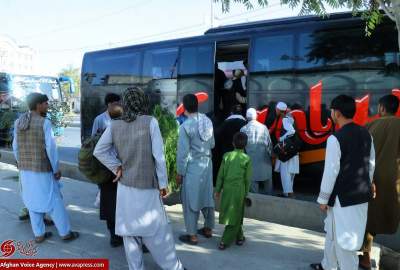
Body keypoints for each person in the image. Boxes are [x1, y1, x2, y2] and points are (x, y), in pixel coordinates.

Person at [94, 87, 184, 270]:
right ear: (143, 102)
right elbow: (159, 157)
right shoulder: (150, 122)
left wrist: (116, 166)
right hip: (148, 187)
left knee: (129, 234)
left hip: (125, 188)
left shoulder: (115, 125)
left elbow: (99, 151)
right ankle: (174, 267)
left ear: (125, 103)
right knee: (157, 232)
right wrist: (163, 184)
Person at [310, 95, 375, 270]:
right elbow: (370, 164)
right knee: (335, 234)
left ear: (337, 113)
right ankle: (328, 265)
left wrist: (323, 200)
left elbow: (330, 172)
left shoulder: (335, 139)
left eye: (332, 110)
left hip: (342, 198)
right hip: (361, 194)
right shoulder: (366, 134)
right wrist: (369, 184)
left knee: (344, 242)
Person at [12, 93, 79, 243]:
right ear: (38, 105)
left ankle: (39, 235)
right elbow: (51, 148)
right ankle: (65, 233)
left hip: (24, 170)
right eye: (45, 103)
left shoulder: (18, 122)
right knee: (54, 200)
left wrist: (20, 162)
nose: (47, 106)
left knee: (31, 200)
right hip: (42, 170)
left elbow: (15, 146)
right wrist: (56, 169)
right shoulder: (44, 123)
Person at [359, 94, 400, 270]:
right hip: (397, 180)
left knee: (369, 220)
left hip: (374, 179)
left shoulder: (370, 125)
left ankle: (365, 258)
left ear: (382, 108)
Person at [177, 94, 215, 245]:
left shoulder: (185, 126)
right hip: (207, 164)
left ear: (185, 107)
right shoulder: (207, 121)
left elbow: (183, 154)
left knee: (191, 200)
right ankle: (208, 229)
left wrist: (180, 172)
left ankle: (192, 235)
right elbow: (212, 144)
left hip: (193, 166)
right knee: (207, 197)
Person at [215, 132, 252, 250]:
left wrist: (218, 189)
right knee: (235, 215)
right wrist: (246, 194)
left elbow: (220, 174)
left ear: (233, 143)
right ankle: (224, 241)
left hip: (227, 189)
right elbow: (247, 179)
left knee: (234, 214)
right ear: (245, 145)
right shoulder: (246, 159)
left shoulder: (226, 156)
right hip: (239, 191)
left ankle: (240, 237)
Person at [96, 104, 124, 247]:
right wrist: (118, 167)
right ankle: (122, 235)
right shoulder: (121, 129)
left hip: (106, 175)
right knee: (121, 205)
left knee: (109, 205)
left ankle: (114, 236)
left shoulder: (106, 128)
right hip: (119, 173)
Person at [91, 93, 120, 208]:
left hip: (118, 158)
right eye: (116, 103)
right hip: (104, 158)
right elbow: (93, 138)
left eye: (119, 103)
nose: (118, 105)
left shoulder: (121, 118)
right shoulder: (100, 119)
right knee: (104, 183)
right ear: (109, 104)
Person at [240, 108, 273, 194]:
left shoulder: (243, 129)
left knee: (253, 192)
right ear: (256, 116)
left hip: (251, 164)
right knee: (268, 189)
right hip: (265, 162)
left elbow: (242, 148)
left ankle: (255, 206)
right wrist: (271, 156)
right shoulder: (264, 127)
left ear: (247, 117)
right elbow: (269, 145)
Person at [213, 105, 247, 185]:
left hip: (226, 153)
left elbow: (216, 135)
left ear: (231, 113)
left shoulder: (225, 123)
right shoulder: (245, 123)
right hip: (241, 154)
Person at [274, 102, 299, 198]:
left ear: (280, 111)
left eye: (276, 109)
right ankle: (287, 192)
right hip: (292, 151)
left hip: (287, 151)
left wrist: (281, 138)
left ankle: (288, 194)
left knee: (285, 173)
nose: (275, 111)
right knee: (290, 173)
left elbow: (292, 131)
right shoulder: (290, 118)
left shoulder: (285, 119)